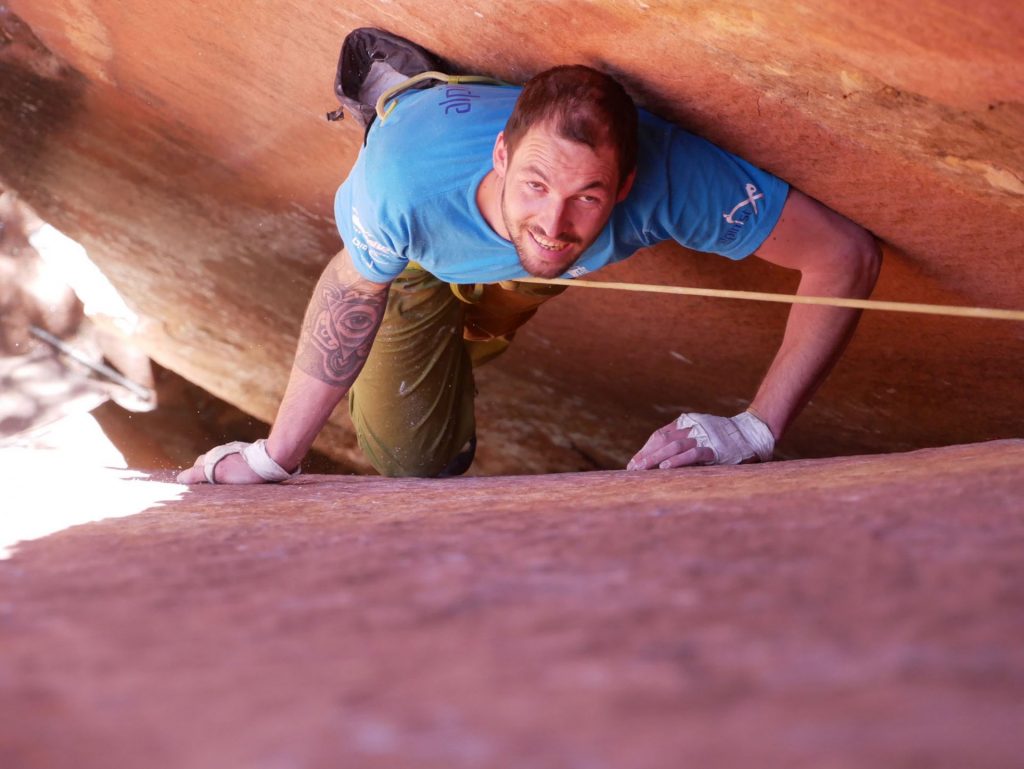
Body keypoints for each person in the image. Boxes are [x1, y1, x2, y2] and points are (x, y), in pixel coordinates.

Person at [177, 32, 880, 485]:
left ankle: (487, 285)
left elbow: (843, 255)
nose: (555, 218)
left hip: (517, 264)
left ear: (626, 186)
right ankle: (408, 89)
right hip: (425, 250)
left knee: (528, 271)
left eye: (588, 195)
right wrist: (274, 459)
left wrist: (754, 429)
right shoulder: (398, 188)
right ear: (504, 157)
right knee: (412, 460)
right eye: (538, 183)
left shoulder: (669, 180)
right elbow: (349, 292)